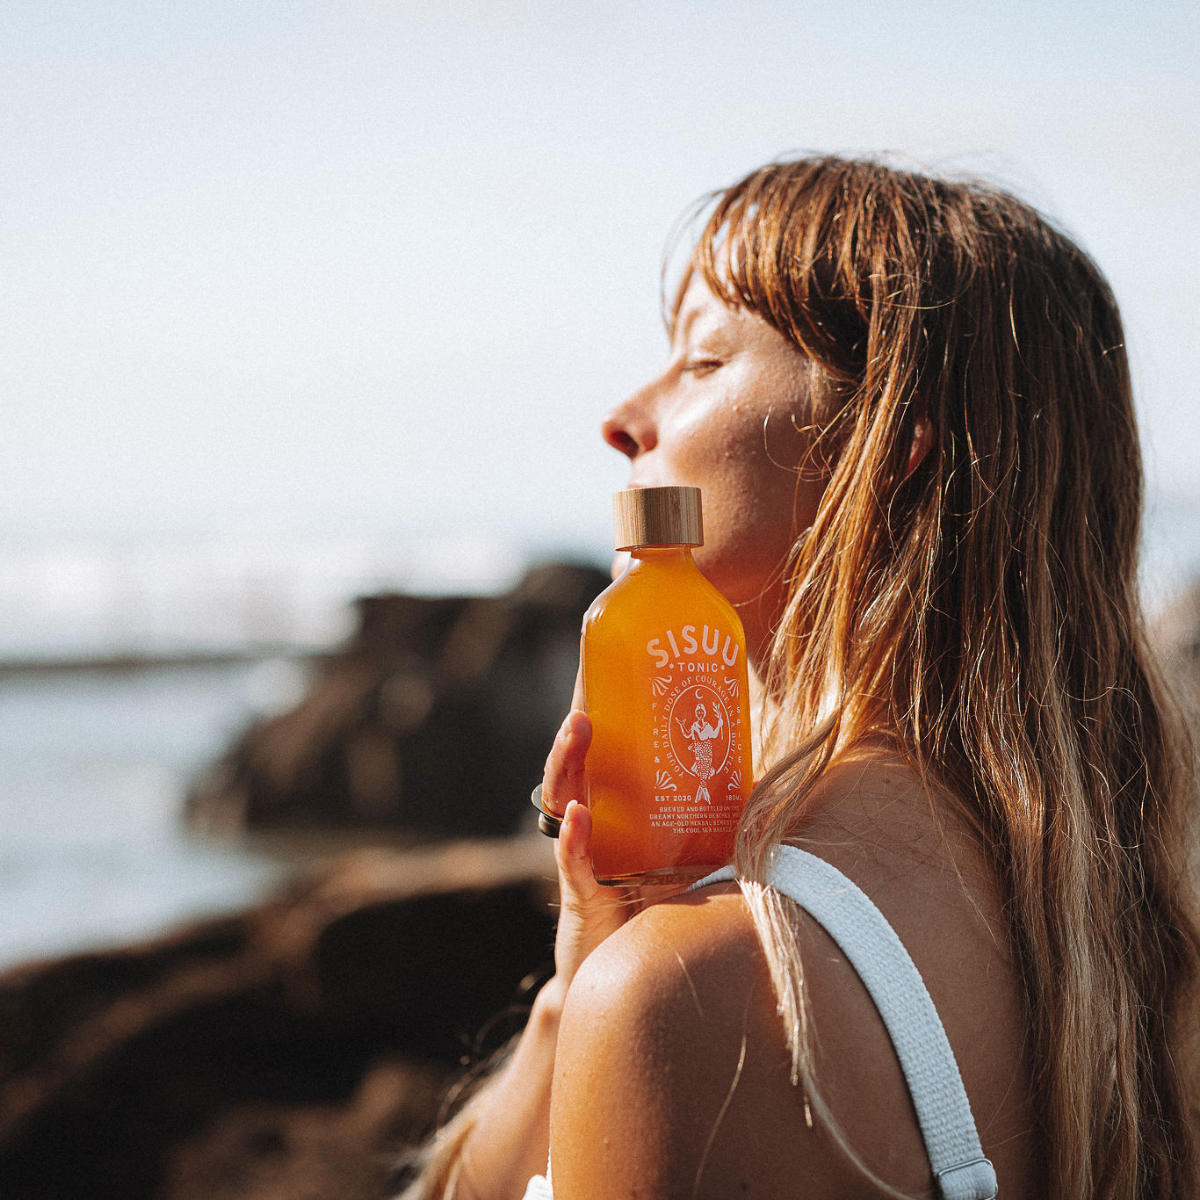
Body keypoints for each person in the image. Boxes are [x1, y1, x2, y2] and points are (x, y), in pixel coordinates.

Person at [401, 156, 1200, 1199]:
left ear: (884, 450)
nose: (622, 417)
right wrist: (573, 990)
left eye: (702, 359)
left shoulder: (699, 995)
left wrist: (615, 995)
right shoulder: (1132, 941)